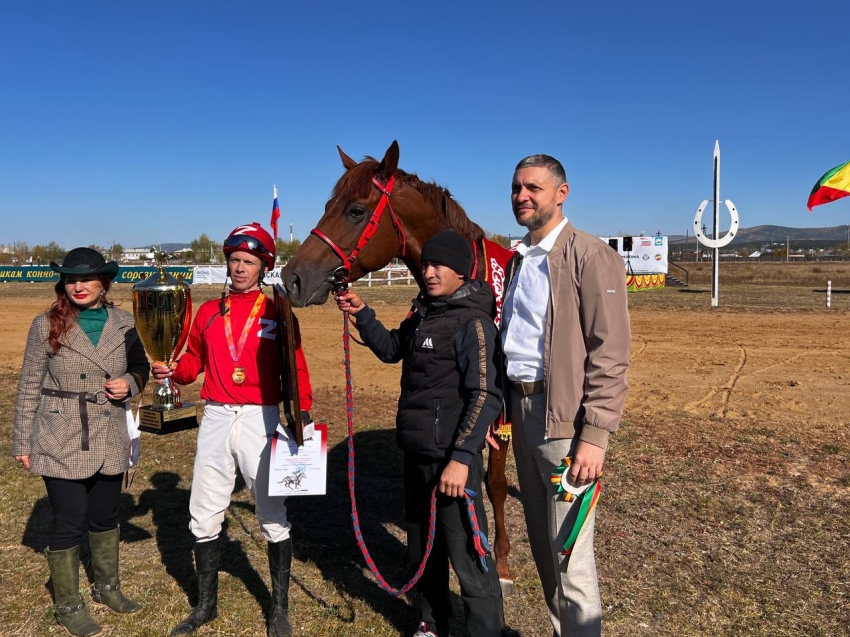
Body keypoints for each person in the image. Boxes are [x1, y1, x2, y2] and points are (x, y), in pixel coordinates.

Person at [334, 230, 506, 637]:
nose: (428, 272)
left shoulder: (474, 323)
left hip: (451, 463)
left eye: (438, 265)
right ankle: (432, 622)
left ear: (461, 271)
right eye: (425, 265)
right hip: (415, 456)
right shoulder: (424, 313)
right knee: (422, 552)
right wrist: (363, 313)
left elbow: (486, 394)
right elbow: (394, 348)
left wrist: (462, 459)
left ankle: (486, 631)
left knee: (468, 556)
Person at [151, 222, 313, 637]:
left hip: (263, 418)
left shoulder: (278, 310)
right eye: (234, 260)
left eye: (249, 261)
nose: (240, 267)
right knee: (204, 512)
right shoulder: (207, 312)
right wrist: (171, 369)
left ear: (263, 266)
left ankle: (278, 608)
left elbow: (297, 367)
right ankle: (206, 605)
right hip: (218, 416)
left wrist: (303, 417)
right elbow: (192, 364)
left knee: (271, 512)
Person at [500, 155, 630, 637]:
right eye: (516, 188)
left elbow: (610, 352)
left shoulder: (591, 255)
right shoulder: (521, 259)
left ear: (562, 193)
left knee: (570, 556)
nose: (521, 196)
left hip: (566, 426)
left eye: (533, 187)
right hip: (522, 410)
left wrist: (594, 436)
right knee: (542, 549)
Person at [13, 247, 149, 637]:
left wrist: (131, 383)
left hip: (109, 431)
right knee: (69, 521)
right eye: (71, 279)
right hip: (60, 433)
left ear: (103, 283)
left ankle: (107, 587)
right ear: (63, 284)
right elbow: (28, 386)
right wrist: (23, 441)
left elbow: (141, 367)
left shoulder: (125, 322)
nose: (78, 286)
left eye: (86, 279)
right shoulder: (45, 325)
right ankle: (69, 604)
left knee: (105, 516)